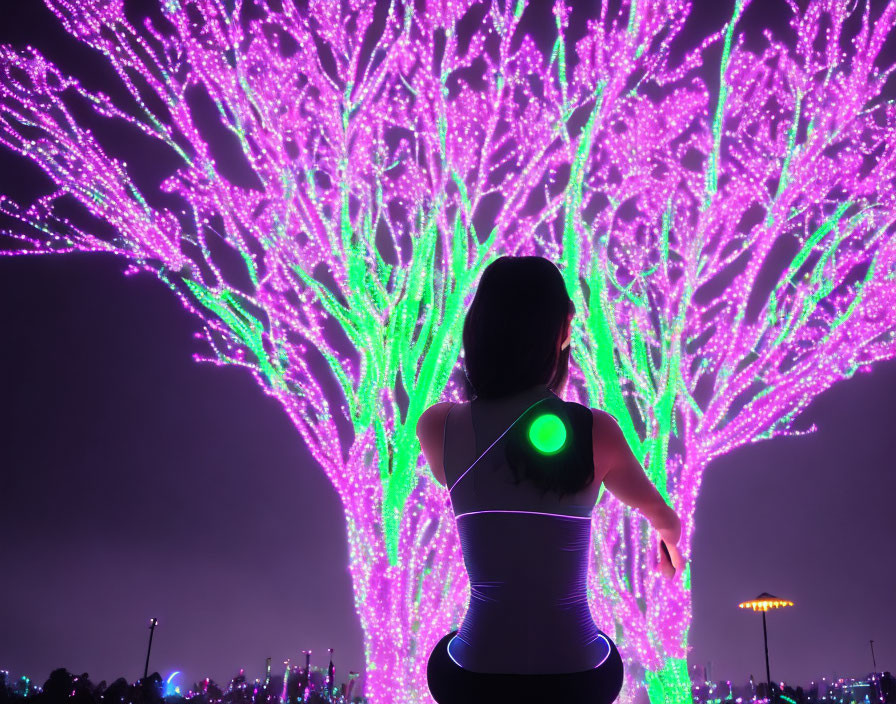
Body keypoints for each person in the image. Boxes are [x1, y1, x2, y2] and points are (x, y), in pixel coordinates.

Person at [416, 256, 685, 704]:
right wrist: (668, 546)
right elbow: (666, 520)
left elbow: (455, 478)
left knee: (449, 653)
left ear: (477, 328)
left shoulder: (437, 426)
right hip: (580, 677)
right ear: (563, 331)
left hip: (474, 679)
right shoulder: (596, 431)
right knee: (601, 653)